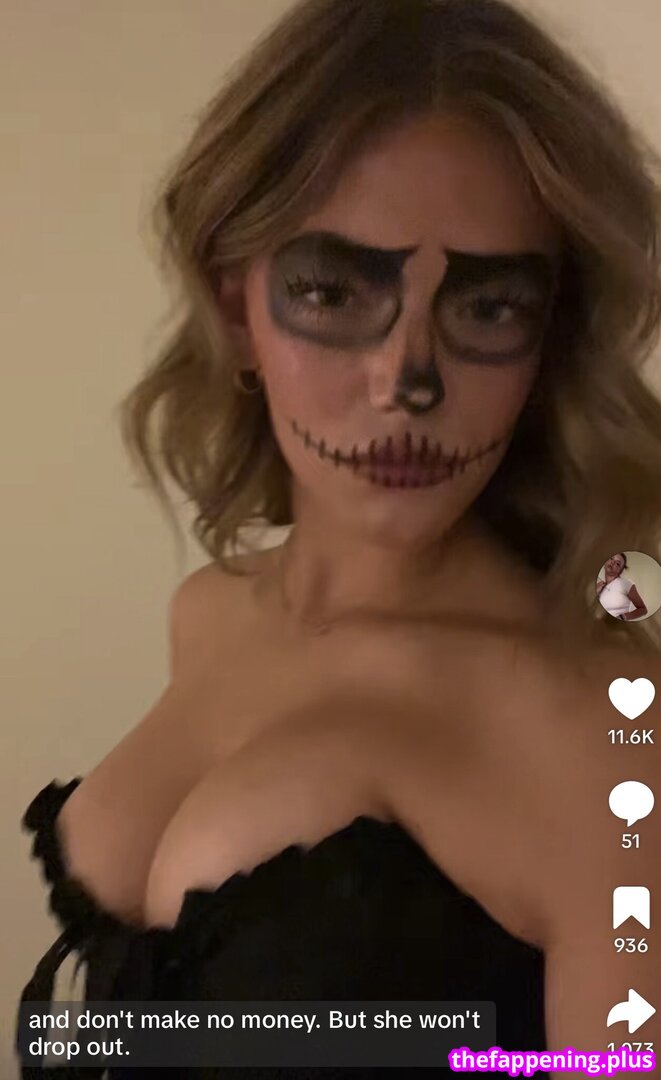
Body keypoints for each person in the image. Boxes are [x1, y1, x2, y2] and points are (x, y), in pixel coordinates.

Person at [15, 0, 661, 1077]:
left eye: (488, 309)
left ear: (550, 340)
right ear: (236, 309)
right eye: (331, 290)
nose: (406, 384)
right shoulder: (212, 613)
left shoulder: (602, 731)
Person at [596, 552, 648, 621]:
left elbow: (643, 610)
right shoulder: (599, 586)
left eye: (617, 564)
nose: (612, 562)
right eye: (611, 558)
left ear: (620, 571)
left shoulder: (625, 583)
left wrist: (622, 617)